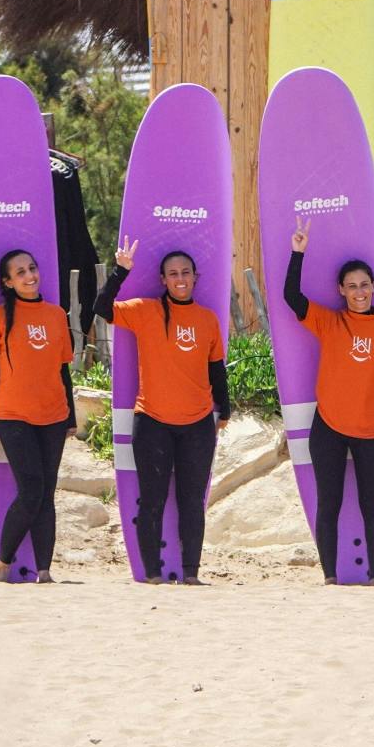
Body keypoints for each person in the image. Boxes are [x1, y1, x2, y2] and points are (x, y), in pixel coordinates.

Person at [283, 217, 374, 585]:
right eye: (352, 286)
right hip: (328, 427)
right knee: (330, 504)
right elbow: (292, 298)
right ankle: (329, 577)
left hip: (371, 429)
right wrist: (298, 253)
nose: (359, 291)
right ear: (341, 289)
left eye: (365, 285)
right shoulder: (329, 322)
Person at [93, 237, 230, 584]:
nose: (180, 279)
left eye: (186, 273)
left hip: (197, 423)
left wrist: (224, 410)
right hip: (152, 421)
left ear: (195, 277)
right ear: (163, 280)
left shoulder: (208, 319)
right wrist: (120, 271)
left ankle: (191, 573)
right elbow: (102, 308)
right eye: (173, 274)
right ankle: (152, 573)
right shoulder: (145, 311)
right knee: (151, 500)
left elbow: (216, 369)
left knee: (191, 501)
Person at [0, 249, 77, 583]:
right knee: (32, 489)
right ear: (8, 282)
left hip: (53, 416)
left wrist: (72, 418)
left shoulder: (55, 315)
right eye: (20, 272)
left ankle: (45, 571)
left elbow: (63, 371)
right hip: (13, 416)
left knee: (46, 492)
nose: (30, 275)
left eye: (32, 268)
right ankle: (3, 563)